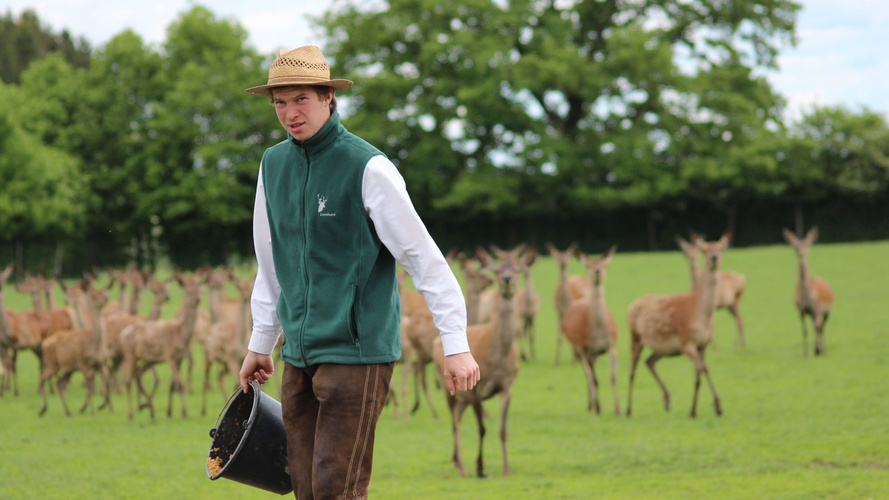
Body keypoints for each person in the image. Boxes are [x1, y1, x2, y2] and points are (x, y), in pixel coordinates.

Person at [238, 45, 480, 500]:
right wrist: (260, 341)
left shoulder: (368, 166)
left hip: (358, 354)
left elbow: (424, 259)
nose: (290, 113)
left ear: (329, 97)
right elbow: (271, 259)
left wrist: (456, 345)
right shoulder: (273, 166)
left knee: (337, 489)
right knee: (306, 490)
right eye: (280, 103)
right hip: (299, 355)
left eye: (302, 99)